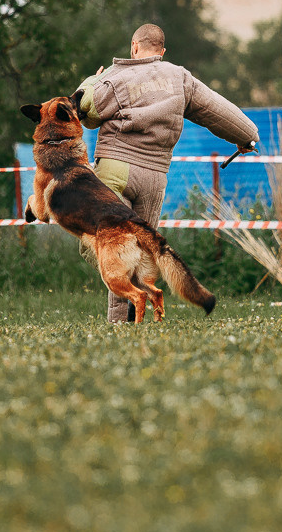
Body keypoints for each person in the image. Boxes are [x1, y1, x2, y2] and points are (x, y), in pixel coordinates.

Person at [75, 23, 259, 323]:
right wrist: (247, 135)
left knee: (103, 243)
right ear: (162, 52)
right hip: (154, 176)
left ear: (134, 47)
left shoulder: (114, 77)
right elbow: (215, 109)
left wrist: (92, 80)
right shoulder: (179, 77)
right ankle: (133, 317)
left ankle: (119, 321)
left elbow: (85, 111)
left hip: (115, 169)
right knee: (141, 250)